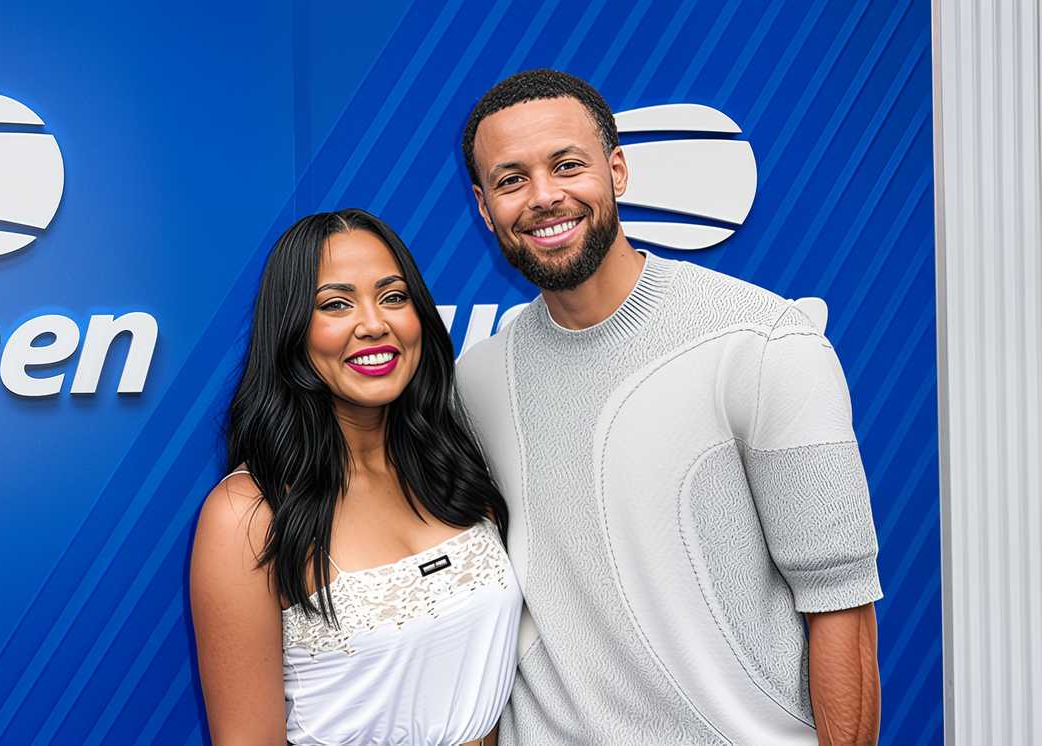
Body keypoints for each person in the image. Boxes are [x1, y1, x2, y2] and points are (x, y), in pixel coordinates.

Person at [456, 69, 883, 745]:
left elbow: (843, 609)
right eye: (511, 179)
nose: (544, 196)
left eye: (567, 165)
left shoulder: (764, 343)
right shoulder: (475, 381)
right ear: (484, 209)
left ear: (617, 171)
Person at [190, 208, 520, 745]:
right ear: (292, 332)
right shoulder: (247, 515)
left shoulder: (459, 460)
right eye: (336, 304)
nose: (373, 323)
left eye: (393, 296)